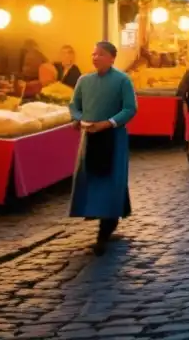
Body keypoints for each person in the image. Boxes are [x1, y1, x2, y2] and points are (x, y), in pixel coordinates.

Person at [69, 41, 137, 255]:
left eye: (100, 54)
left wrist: (108, 123)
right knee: (92, 179)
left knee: (111, 180)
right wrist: (80, 120)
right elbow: (74, 105)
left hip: (113, 138)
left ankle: (104, 233)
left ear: (111, 57)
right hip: (89, 137)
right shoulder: (84, 80)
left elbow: (130, 108)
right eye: (93, 53)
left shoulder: (122, 80)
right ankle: (106, 215)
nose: (95, 57)